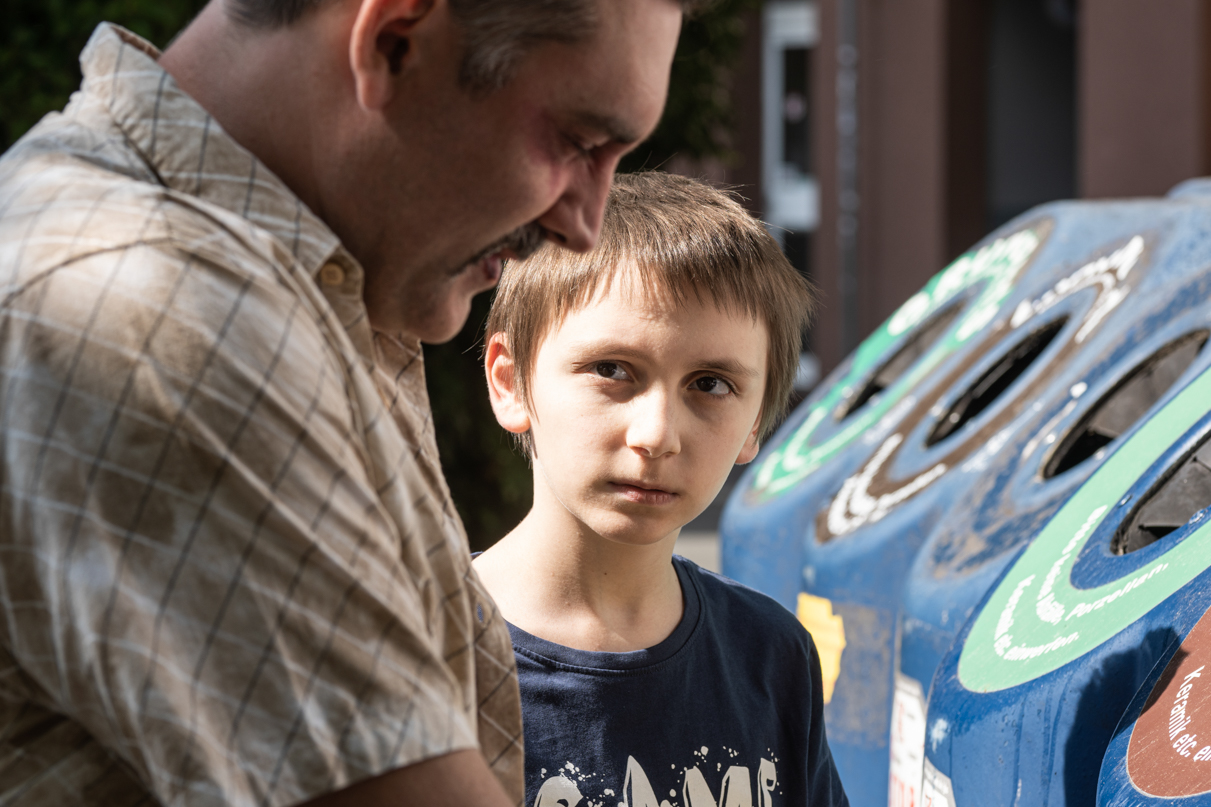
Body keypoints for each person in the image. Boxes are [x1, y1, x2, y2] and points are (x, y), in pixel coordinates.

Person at [0, 0, 686, 804]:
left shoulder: (299, 277)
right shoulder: (158, 313)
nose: (583, 224)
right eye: (576, 143)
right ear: (392, 41)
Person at [474, 172, 849, 807]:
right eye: (612, 370)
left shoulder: (771, 656)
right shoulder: (422, 657)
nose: (657, 435)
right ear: (511, 383)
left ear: (755, 421)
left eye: (710, 384)